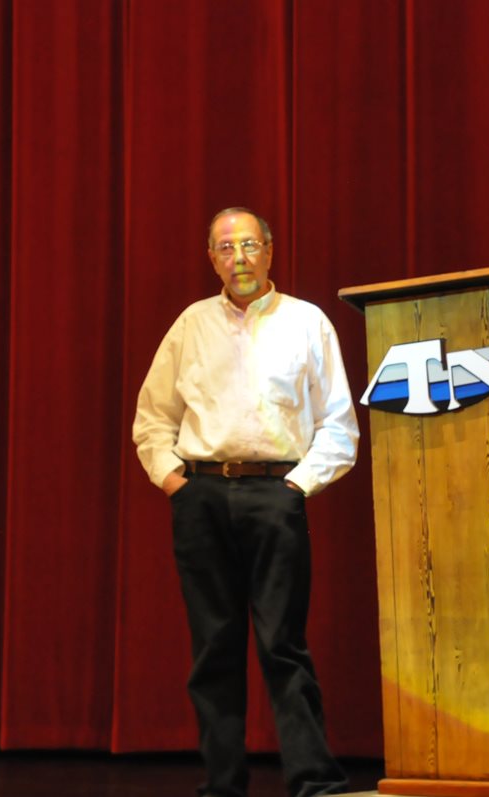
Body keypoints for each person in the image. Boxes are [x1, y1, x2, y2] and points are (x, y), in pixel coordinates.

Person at [133, 207, 359, 797]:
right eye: (227, 248)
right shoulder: (191, 325)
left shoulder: (306, 322)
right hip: (201, 496)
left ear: (270, 251)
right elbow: (152, 418)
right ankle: (223, 784)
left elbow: (339, 424)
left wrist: (296, 488)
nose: (240, 258)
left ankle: (313, 782)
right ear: (212, 258)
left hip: (275, 495)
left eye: (250, 245)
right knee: (214, 648)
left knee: (283, 645)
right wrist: (175, 483)